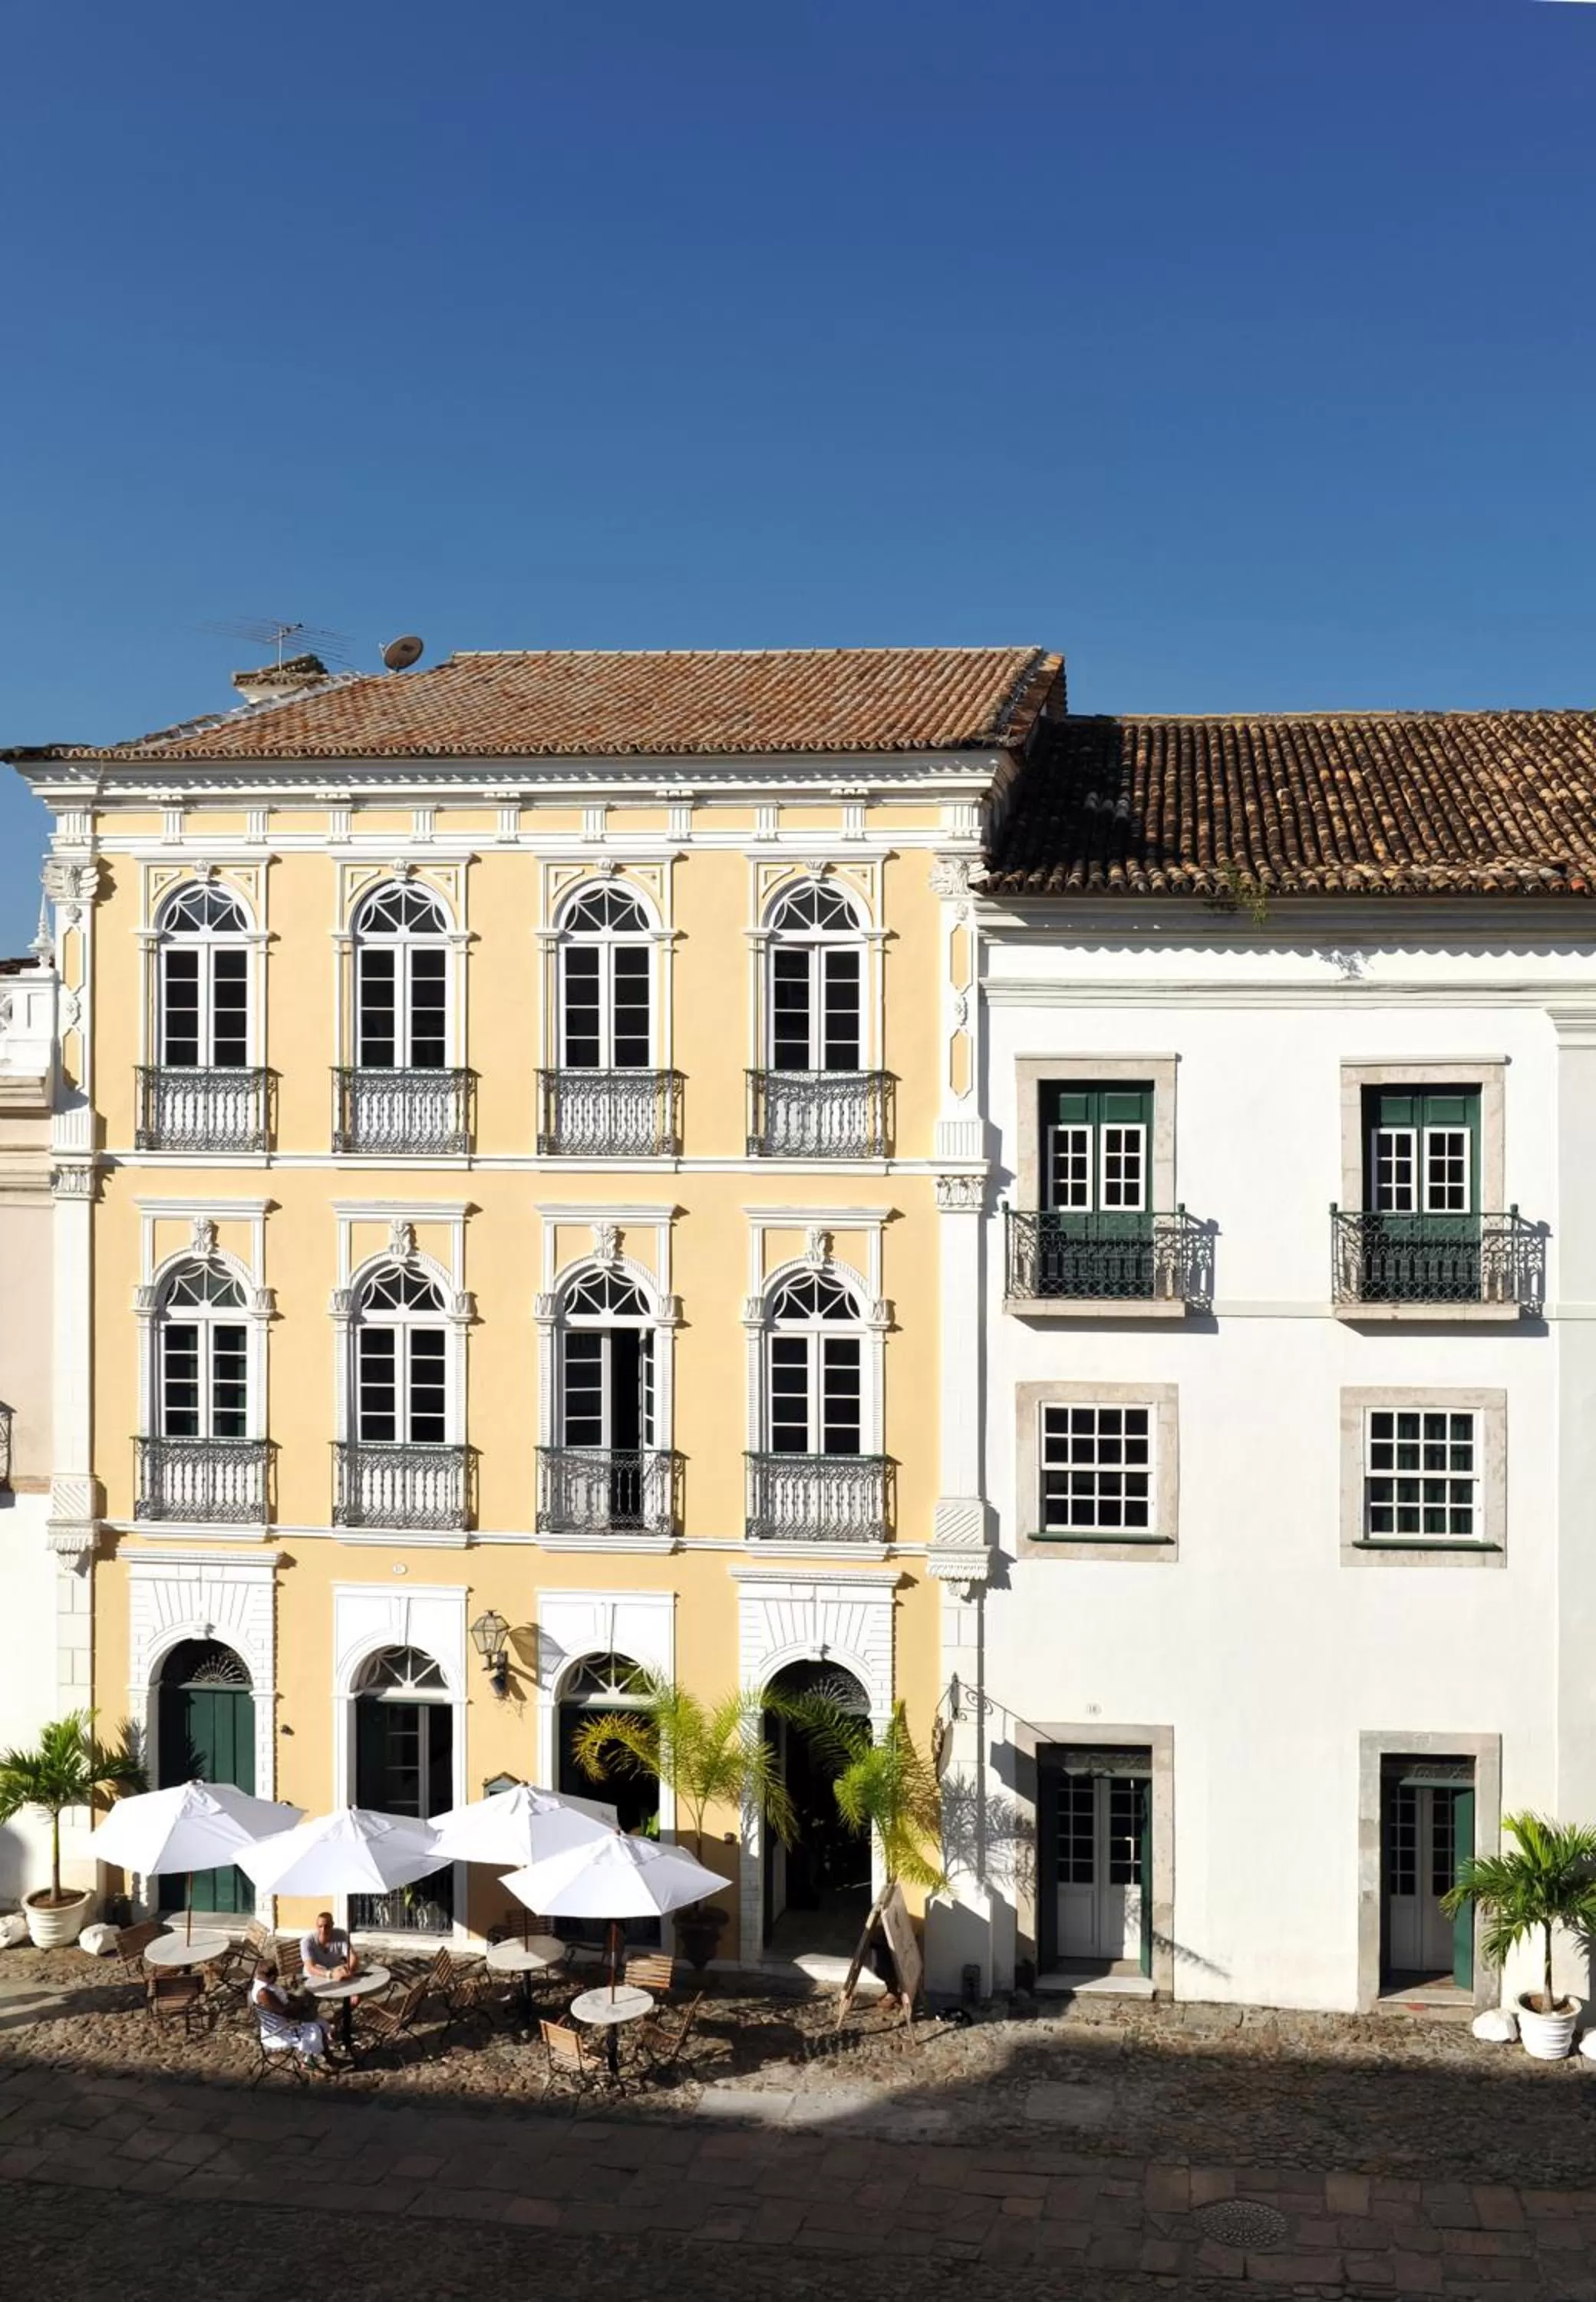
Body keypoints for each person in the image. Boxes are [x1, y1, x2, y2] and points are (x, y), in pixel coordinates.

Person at [250, 1960, 332, 2065]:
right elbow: (286, 2011)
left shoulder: (264, 1984)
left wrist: (297, 1999)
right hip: (281, 2031)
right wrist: (301, 2004)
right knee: (317, 2026)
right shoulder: (263, 1993)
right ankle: (314, 2063)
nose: (277, 1978)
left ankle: (321, 2048)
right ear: (271, 1977)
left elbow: (283, 1996)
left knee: (308, 1994)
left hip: (286, 2017)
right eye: (276, 1976)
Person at [300, 1911, 360, 1984]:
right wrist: (331, 1974)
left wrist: (348, 1969)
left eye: (327, 1926)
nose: (323, 1930)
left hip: (336, 1974)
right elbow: (310, 1968)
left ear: (332, 1925)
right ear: (316, 1926)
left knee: (355, 1991)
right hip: (313, 1977)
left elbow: (352, 1956)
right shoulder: (307, 1941)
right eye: (320, 1926)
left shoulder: (341, 1934)